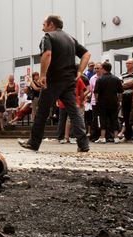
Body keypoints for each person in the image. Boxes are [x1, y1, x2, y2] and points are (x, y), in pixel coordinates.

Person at [18, 15, 91, 152]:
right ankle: (83, 145)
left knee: (42, 112)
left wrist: (43, 75)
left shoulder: (48, 37)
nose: (42, 27)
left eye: (44, 24)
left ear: (51, 25)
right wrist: (80, 71)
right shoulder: (70, 39)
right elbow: (86, 54)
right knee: (74, 112)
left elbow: (47, 55)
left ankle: (33, 143)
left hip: (54, 80)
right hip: (69, 81)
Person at [93, 62, 123, 144]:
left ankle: (103, 137)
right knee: (114, 119)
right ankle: (116, 137)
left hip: (102, 103)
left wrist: (96, 100)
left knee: (103, 119)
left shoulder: (100, 79)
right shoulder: (116, 79)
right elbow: (120, 92)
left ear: (103, 68)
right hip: (113, 102)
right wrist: (119, 101)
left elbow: (96, 93)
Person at [120, 59, 133, 141]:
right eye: (126, 63)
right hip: (125, 96)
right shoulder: (123, 74)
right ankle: (128, 135)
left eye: (129, 63)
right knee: (126, 116)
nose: (127, 65)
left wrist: (127, 84)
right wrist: (130, 84)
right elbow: (120, 86)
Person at [88, 63, 103, 140]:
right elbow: (91, 90)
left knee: (104, 118)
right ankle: (94, 135)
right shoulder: (92, 78)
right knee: (94, 119)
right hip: (94, 101)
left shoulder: (104, 77)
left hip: (104, 101)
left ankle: (104, 135)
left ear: (102, 68)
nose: (96, 70)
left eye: (98, 68)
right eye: (95, 68)